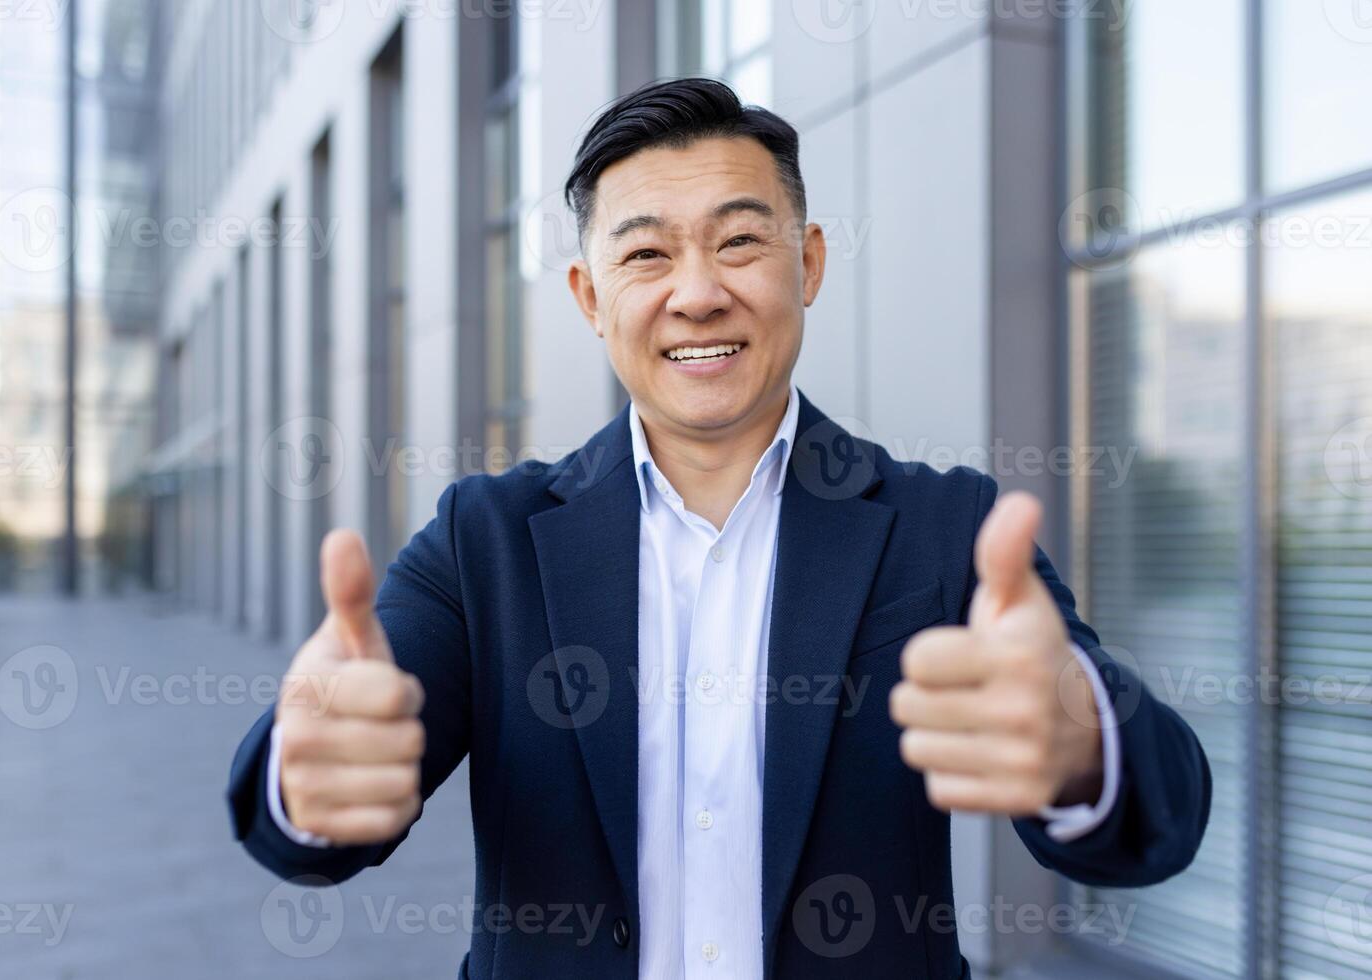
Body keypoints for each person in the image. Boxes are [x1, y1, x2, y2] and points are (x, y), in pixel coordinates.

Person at [228, 77, 1210, 979]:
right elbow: (315, 793)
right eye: (646, 253)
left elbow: (1160, 809)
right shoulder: (484, 539)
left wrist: (1080, 738)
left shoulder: (948, 532)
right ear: (589, 297)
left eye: (739, 241)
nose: (696, 291)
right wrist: (312, 764)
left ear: (808, 262)